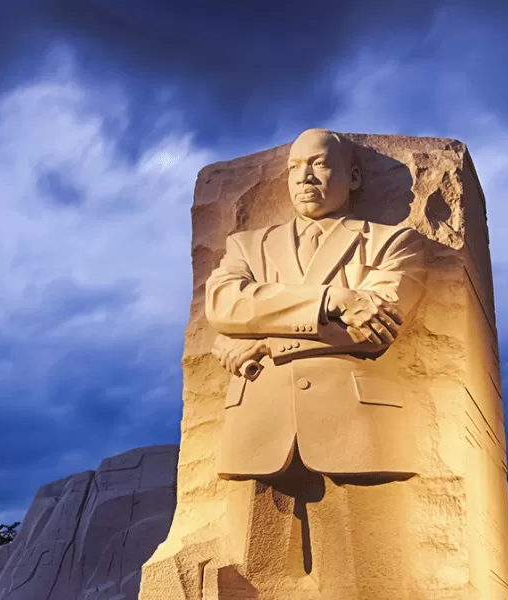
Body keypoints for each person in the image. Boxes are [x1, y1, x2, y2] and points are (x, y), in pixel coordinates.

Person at [202, 128, 429, 595]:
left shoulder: (393, 242)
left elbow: (374, 330)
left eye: (320, 164)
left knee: (363, 578)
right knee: (251, 577)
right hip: (258, 423)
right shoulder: (248, 245)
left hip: (354, 423)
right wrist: (334, 300)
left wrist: (261, 341)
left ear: (353, 175)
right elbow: (224, 306)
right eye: (295, 167)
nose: (304, 176)